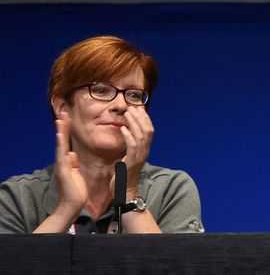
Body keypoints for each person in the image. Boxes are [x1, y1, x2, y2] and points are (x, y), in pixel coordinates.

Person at [0, 35, 204, 234]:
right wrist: (66, 210)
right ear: (63, 106)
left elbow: (171, 268)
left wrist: (129, 192)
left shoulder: (171, 189)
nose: (121, 105)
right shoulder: (18, 196)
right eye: (101, 90)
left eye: (133, 95)